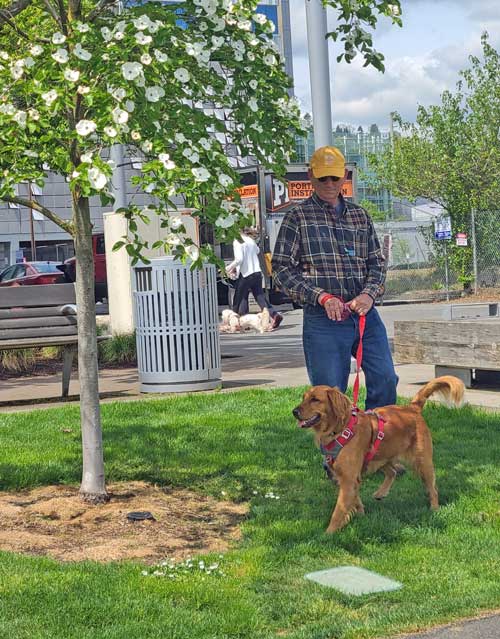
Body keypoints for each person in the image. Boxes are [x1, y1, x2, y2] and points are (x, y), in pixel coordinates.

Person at [272, 146, 397, 409]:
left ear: (345, 176)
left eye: (334, 177)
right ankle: (336, 450)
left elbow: (377, 263)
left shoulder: (360, 216)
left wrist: (368, 294)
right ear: (310, 176)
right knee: (329, 396)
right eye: (322, 178)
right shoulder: (297, 217)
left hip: (364, 316)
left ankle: (375, 442)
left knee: (386, 379)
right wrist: (321, 297)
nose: (329, 184)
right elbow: (281, 269)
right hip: (322, 321)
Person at [227, 227, 283, 330]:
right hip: (257, 272)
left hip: (246, 274)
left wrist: (228, 268)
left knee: (238, 298)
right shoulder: (250, 240)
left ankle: (235, 322)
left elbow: (239, 259)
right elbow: (257, 251)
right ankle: (274, 315)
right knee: (259, 297)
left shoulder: (237, 241)